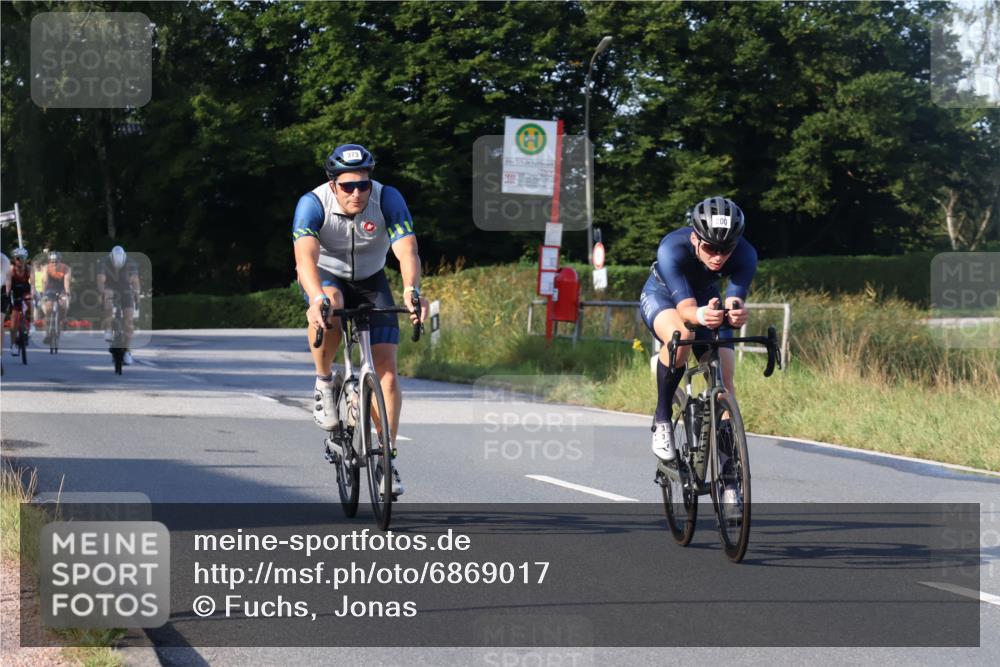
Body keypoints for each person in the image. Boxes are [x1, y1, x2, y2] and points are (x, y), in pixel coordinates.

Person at [292, 143, 428, 497]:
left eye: (363, 184)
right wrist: (316, 298)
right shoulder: (313, 203)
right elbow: (305, 259)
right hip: (327, 278)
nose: (357, 193)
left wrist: (412, 290)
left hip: (371, 279)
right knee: (331, 304)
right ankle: (324, 382)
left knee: (387, 373)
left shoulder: (388, 199)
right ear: (333, 184)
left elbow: (407, 249)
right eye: (348, 186)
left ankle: (386, 458)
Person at [639, 196, 757, 510]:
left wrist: (735, 313)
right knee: (683, 336)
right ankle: (662, 419)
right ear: (695, 239)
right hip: (664, 296)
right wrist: (704, 315)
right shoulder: (672, 248)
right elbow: (687, 311)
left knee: (725, 377)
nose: (718, 257)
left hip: (706, 298)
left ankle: (730, 478)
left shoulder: (745, 253)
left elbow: (734, 299)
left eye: (726, 249)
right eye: (711, 248)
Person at [96, 245, 140, 365]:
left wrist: (137, 294)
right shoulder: (104, 261)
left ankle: (127, 351)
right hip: (109, 286)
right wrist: (102, 293)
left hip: (125, 288)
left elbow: (135, 281)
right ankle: (108, 328)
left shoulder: (131, 262)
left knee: (129, 321)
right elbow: (101, 280)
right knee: (107, 297)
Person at [41, 251, 71, 345]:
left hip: (61, 289)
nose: (54, 263)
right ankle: (47, 333)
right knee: (48, 308)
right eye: (52, 261)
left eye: (56, 261)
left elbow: (66, 282)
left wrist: (67, 293)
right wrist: (43, 293)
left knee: (63, 304)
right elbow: (45, 281)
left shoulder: (66, 268)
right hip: (50, 289)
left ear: (60, 261)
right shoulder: (46, 268)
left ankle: (64, 319)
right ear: (49, 261)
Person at [8, 248, 34, 355]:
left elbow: (33, 285)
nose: (21, 260)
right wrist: (7, 295)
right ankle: (13, 344)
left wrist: (34, 294)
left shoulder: (29, 269)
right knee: (14, 319)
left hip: (25, 291)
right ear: (14, 259)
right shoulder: (11, 269)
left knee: (30, 304)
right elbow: (8, 285)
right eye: (18, 258)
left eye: (23, 258)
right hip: (14, 292)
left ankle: (30, 326)